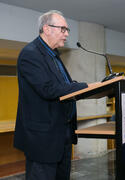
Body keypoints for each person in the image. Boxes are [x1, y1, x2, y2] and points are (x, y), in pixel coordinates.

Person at [14, 10, 89, 180]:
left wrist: (80, 87)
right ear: (47, 29)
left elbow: (62, 85)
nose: (67, 34)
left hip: (62, 133)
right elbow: (48, 89)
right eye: (63, 29)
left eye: (67, 30)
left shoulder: (53, 55)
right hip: (43, 139)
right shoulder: (30, 54)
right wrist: (84, 86)